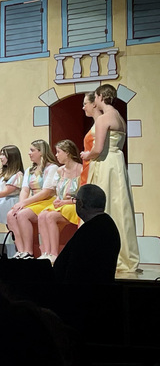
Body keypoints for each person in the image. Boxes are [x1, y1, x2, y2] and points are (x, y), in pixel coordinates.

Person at [81, 84, 140, 272]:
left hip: (106, 163)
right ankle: (125, 254)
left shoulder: (104, 118)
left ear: (99, 97)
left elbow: (98, 149)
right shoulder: (119, 117)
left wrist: (86, 155)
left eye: (95, 97)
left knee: (106, 206)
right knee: (120, 205)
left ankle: (104, 252)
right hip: (118, 161)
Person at [53, 184, 121, 283]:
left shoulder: (89, 231)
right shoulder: (107, 224)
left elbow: (73, 268)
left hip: (83, 293)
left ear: (80, 204)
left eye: (75, 200)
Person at [6, 139, 59, 259]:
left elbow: (47, 192)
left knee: (23, 215)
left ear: (41, 152)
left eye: (32, 150)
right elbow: (25, 189)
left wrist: (25, 203)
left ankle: (29, 252)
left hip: (47, 201)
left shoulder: (52, 168)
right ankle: (20, 250)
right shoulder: (30, 170)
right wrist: (20, 204)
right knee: (11, 214)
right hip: (33, 201)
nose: (29, 153)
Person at [36, 140, 83, 264]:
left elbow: (82, 195)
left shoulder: (81, 169)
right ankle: (45, 253)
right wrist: (58, 200)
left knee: (51, 217)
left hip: (74, 204)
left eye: (58, 152)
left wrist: (66, 202)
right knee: (42, 215)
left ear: (67, 153)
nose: (56, 155)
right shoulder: (60, 171)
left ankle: (54, 254)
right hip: (61, 203)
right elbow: (57, 191)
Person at [80, 91, 102, 185]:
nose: (83, 107)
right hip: (89, 165)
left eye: (85, 104)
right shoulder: (96, 123)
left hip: (95, 167)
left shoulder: (101, 122)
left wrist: (88, 155)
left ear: (94, 104)